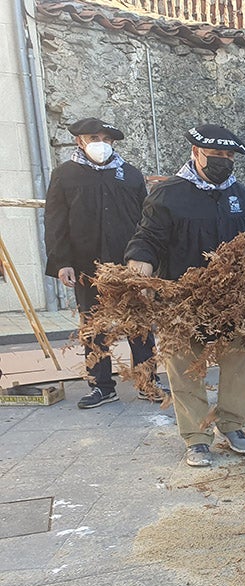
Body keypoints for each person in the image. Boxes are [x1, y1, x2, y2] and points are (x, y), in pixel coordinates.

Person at [124, 124, 245, 468]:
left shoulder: (242, 196)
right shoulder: (169, 195)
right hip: (184, 298)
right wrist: (140, 263)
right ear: (196, 153)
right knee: (183, 365)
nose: (223, 162)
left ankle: (232, 424)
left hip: (234, 300)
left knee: (243, 356)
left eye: (228, 156)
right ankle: (196, 438)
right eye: (216, 155)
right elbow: (148, 236)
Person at [43, 117, 161, 409]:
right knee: (94, 325)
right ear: (79, 141)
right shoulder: (65, 175)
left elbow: (145, 221)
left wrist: (148, 258)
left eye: (107, 139)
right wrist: (62, 261)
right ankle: (101, 385)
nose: (101, 144)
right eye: (94, 138)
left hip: (129, 263)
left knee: (139, 322)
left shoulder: (130, 175)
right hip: (87, 265)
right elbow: (55, 221)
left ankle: (148, 380)